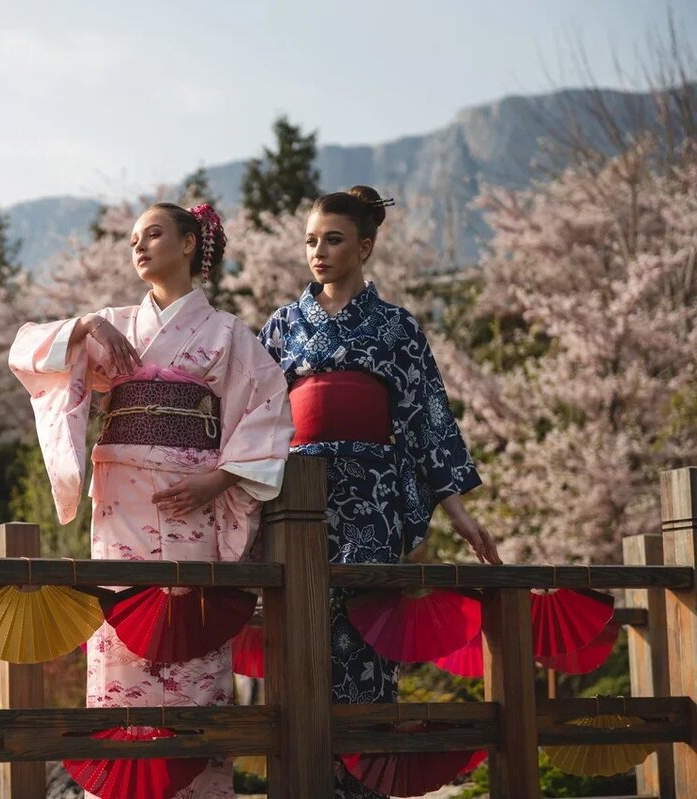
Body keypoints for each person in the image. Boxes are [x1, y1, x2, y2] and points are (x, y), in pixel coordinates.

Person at [10, 203, 293, 798]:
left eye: (155, 234)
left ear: (190, 243)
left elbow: (268, 409)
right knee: (123, 631)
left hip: (192, 496)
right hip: (121, 504)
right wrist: (86, 325)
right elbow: (25, 349)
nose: (138, 247)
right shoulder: (114, 323)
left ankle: (199, 786)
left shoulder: (228, 335)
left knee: (189, 629)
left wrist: (218, 481)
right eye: (133, 239)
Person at [257, 185, 501, 799]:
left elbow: (428, 421)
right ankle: (302, 782)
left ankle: (362, 787)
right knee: (298, 637)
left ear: (364, 246)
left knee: (366, 639)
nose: (319, 251)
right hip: (297, 499)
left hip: (372, 498)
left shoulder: (396, 327)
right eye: (311, 240)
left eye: (333, 240)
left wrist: (461, 514)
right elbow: (254, 416)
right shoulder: (283, 326)